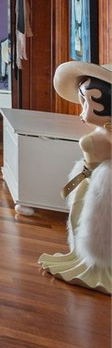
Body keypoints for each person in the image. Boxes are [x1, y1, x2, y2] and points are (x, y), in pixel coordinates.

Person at [39, 61, 112, 294]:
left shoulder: (100, 137)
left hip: (97, 187)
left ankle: (95, 265)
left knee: (90, 224)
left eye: (86, 102)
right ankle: (87, 257)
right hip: (93, 182)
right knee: (86, 224)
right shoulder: (104, 133)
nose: (82, 110)